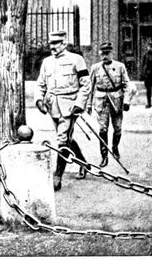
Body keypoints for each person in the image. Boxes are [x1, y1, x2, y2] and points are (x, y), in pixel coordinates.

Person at [34, 30, 91, 191]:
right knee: (66, 138)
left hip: (70, 106)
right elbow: (40, 83)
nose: (52, 47)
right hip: (53, 106)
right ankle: (83, 163)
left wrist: (79, 103)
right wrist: (39, 100)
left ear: (64, 43)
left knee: (62, 140)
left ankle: (57, 176)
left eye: (56, 43)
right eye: (51, 44)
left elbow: (86, 84)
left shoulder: (76, 59)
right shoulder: (47, 62)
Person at [88, 42, 135, 167]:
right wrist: (88, 105)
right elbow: (90, 87)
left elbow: (127, 85)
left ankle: (115, 147)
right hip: (101, 101)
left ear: (111, 53)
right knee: (102, 129)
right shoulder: (95, 68)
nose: (104, 56)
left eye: (107, 53)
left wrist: (126, 101)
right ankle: (104, 155)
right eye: (102, 54)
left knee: (117, 128)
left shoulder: (120, 66)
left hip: (116, 101)